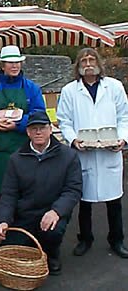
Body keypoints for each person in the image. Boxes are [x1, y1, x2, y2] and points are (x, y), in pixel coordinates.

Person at [57, 48, 128, 258]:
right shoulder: (70, 91)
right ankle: (85, 239)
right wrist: (73, 140)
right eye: (84, 60)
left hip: (109, 152)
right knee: (85, 200)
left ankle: (117, 240)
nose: (88, 64)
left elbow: (124, 116)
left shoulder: (114, 87)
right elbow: (64, 120)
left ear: (98, 63)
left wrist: (123, 139)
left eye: (92, 59)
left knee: (114, 200)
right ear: (78, 66)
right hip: (84, 153)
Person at [0, 111, 82, 275]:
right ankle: (32, 247)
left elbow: (73, 190)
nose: (38, 132)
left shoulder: (68, 156)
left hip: (52, 212)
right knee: (8, 246)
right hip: (25, 213)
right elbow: (8, 194)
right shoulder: (16, 159)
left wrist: (57, 211)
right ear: (28, 132)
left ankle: (52, 255)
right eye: (34, 128)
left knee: (51, 233)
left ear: (51, 130)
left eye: (42, 128)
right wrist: (3, 220)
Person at [0, 45, 45, 214]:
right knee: (2, 196)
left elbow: (40, 116)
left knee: (26, 193)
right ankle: (3, 231)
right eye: (9, 62)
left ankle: (25, 233)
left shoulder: (32, 89)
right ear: (2, 65)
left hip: (24, 149)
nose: (14, 66)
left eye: (17, 62)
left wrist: (19, 123)